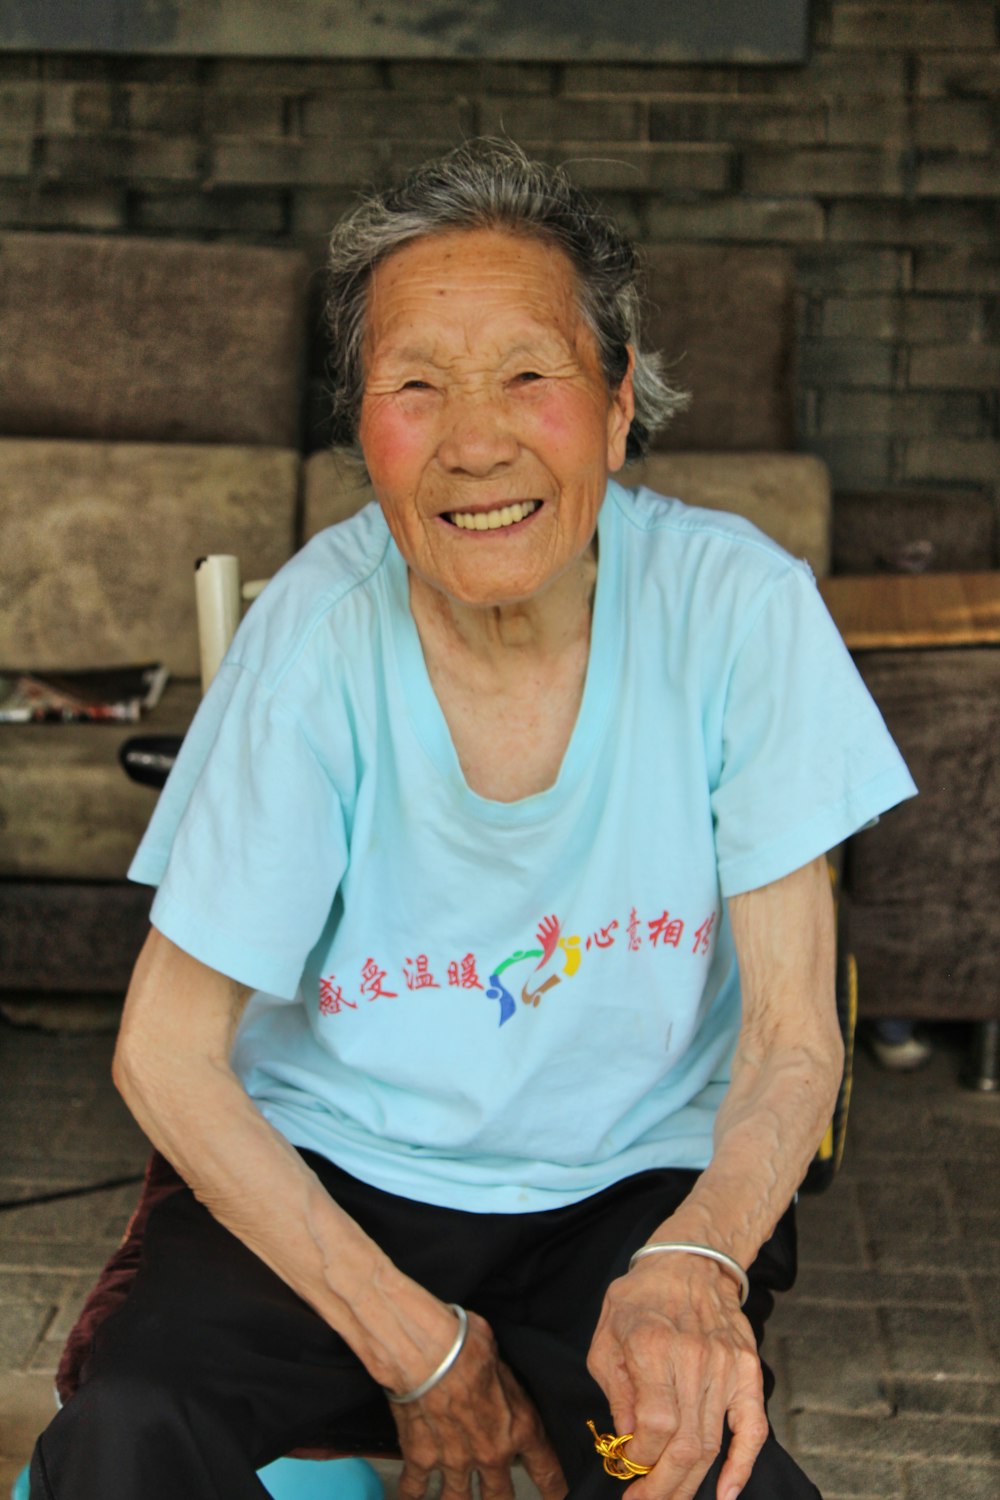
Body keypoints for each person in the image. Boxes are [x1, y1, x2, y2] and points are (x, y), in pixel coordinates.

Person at [31, 140, 916, 1500]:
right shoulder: (315, 637)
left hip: (629, 1193)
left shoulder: (740, 611)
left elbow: (797, 1039)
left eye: (529, 374)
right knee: (128, 1431)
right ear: (364, 429)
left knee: (698, 1476)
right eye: (416, 386)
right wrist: (425, 1351)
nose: (476, 439)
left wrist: (701, 1256)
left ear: (620, 406)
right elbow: (166, 1056)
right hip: (327, 1178)